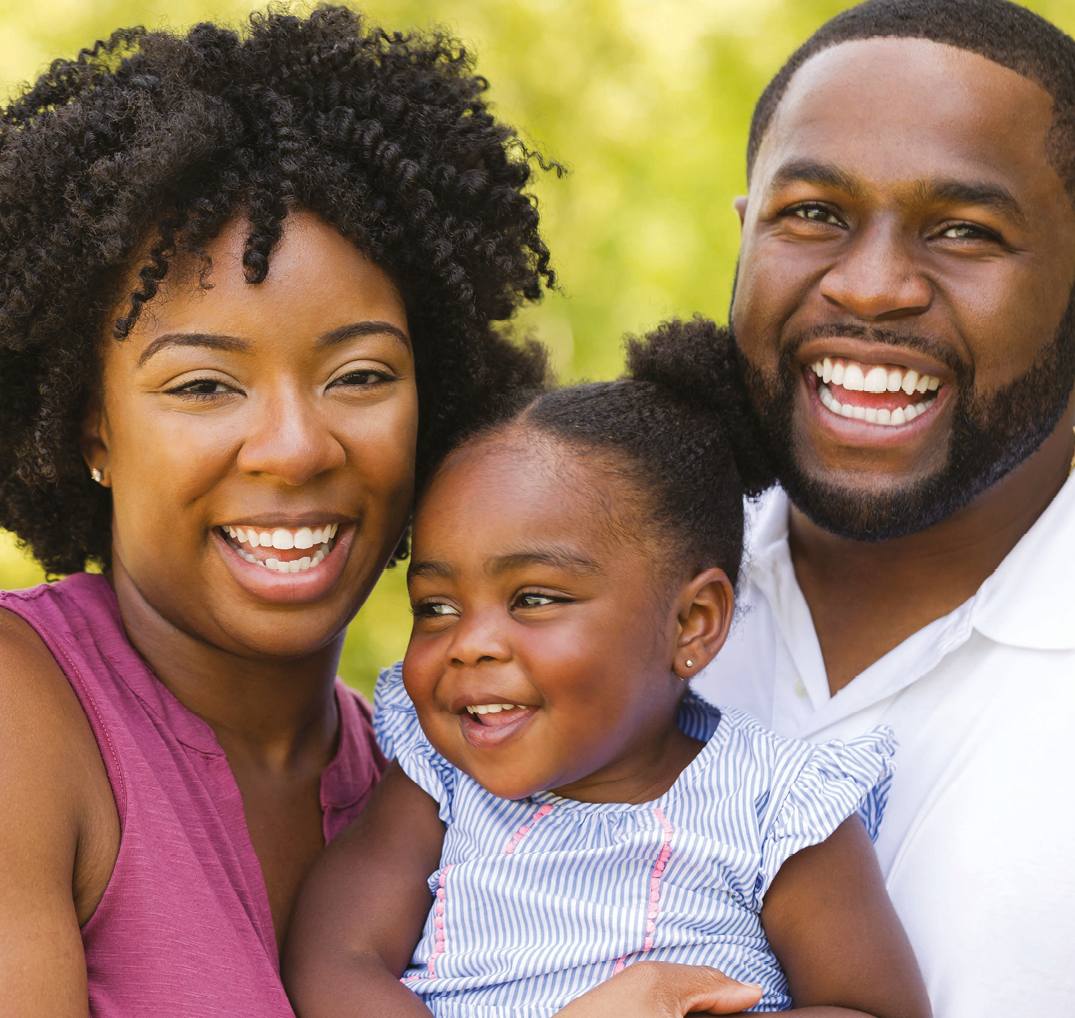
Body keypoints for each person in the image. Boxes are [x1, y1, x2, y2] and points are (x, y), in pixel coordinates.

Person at [0, 8, 557, 1014]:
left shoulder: (439, 778)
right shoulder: (22, 715)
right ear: (93, 431)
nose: (296, 446)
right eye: (204, 386)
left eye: (358, 374)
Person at [283, 319, 932, 1018]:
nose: (469, 644)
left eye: (532, 599)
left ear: (692, 622)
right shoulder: (441, 783)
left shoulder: (777, 810)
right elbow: (335, 954)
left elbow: (874, 1007)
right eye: (436, 606)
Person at [692, 1, 1075, 1014]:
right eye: (812, 213)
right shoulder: (601, 587)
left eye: (962, 230)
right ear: (745, 236)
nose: (868, 286)